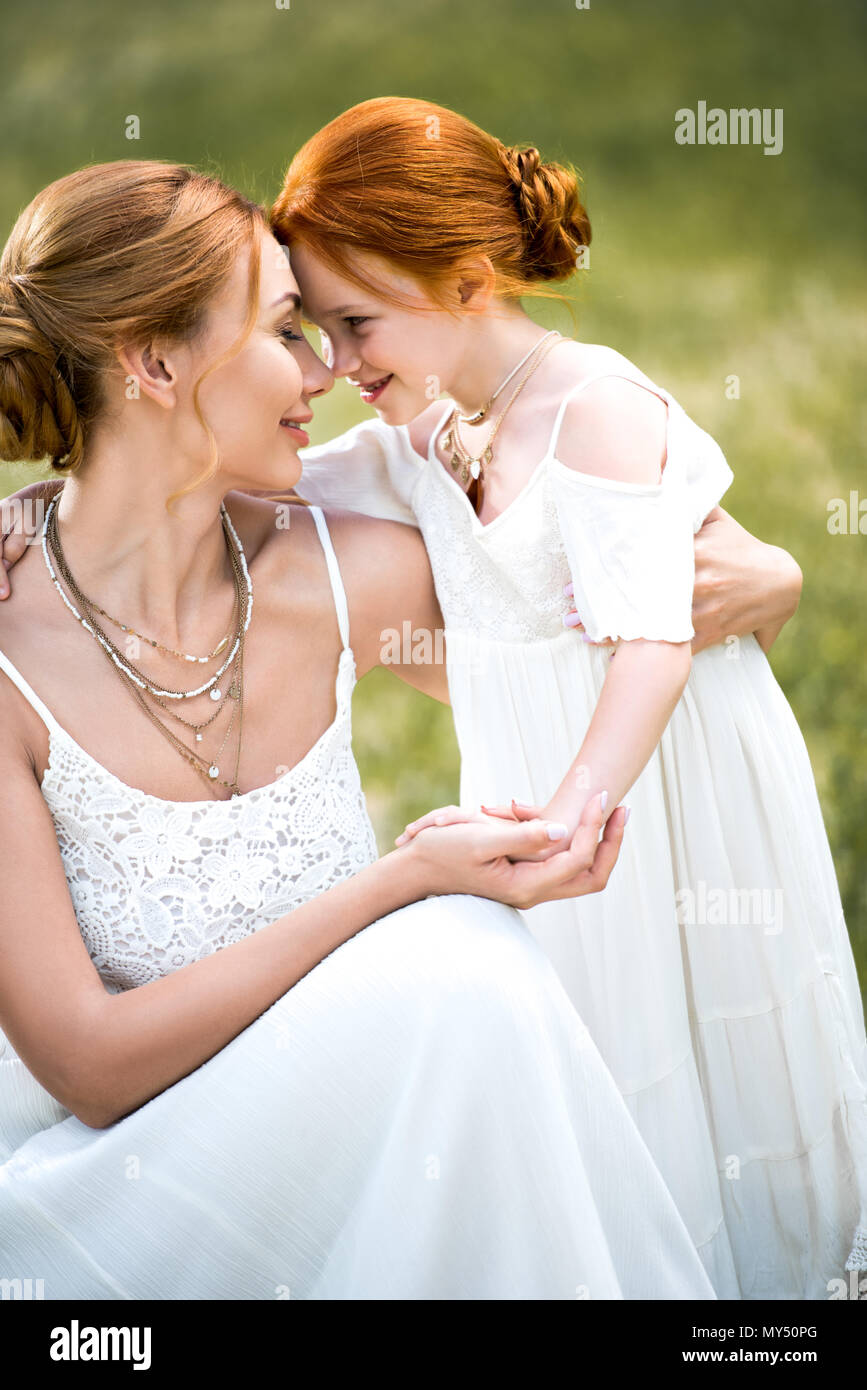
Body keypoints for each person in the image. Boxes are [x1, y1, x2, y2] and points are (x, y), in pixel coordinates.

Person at [0, 159, 719, 1301]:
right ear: (152, 360)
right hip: (111, 1195)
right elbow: (88, 1065)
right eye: (288, 330)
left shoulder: (342, 573)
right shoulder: (5, 647)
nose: (324, 374)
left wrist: (775, 576)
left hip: (352, 1136)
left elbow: (616, 617)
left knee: (467, 984)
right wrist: (403, 886)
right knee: (462, 964)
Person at [261, 96, 867, 1298]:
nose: (335, 366)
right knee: (597, 1060)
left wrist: (570, 810)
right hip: (558, 815)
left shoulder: (591, 410)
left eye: (356, 322)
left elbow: (651, 646)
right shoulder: (426, 438)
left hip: (656, 798)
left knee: (712, 1048)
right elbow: (249, 484)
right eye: (320, 330)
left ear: (472, 276)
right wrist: (45, 509)